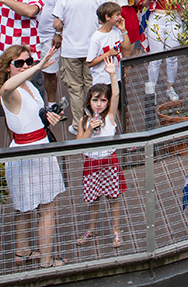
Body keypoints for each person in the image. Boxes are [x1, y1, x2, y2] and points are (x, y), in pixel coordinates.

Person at [0, 45, 66, 268]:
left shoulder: (29, 86)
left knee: (25, 206)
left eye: (27, 62)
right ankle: (47, 260)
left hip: (36, 144)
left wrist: (48, 118)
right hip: (30, 151)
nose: (24, 67)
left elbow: (31, 116)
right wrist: (40, 65)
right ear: (7, 67)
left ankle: (22, 251)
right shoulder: (9, 92)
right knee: (47, 207)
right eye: (19, 63)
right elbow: (4, 89)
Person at [76, 56, 125, 250]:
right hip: (91, 161)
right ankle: (91, 229)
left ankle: (116, 231)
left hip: (109, 160)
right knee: (93, 199)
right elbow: (79, 143)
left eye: (102, 100)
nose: (99, 104)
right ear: (89, 101)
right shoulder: (84, 120)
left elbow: (116, 96)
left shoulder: (111, 117)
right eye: (95, 100)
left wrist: (112, 74)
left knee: (114, 198)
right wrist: (89, 129)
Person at [51, 0, 103, 126]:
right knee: (91, 85)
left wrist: (60, 31)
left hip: (70, 49)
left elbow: (56, 23)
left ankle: (78, 123)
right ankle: (94, 119)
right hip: (92, 49)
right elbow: (102, 19)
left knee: (75, 88)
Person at [22, 0, 63, 102]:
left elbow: (60, 9)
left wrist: (58, 34)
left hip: (48, 36)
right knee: (26, 73)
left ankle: (51, 103)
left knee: (50, 73)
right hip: (26, 37)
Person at [144, 0, 184, 102]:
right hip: (157, 17)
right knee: (155, 57)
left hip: (174, 17)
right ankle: (151, 89)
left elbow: (185, 3)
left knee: (172, 57)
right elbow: (144, 4)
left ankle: (170, 87)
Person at [87, 2, 133, 85]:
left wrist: (123, 30)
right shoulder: (96, 37)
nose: (120, 17)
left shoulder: (116, 31)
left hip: (117, 77)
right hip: (102, 80)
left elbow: (127, 47)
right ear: (107, 17)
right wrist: (108, 54)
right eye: (117, 15)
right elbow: (90, 62)